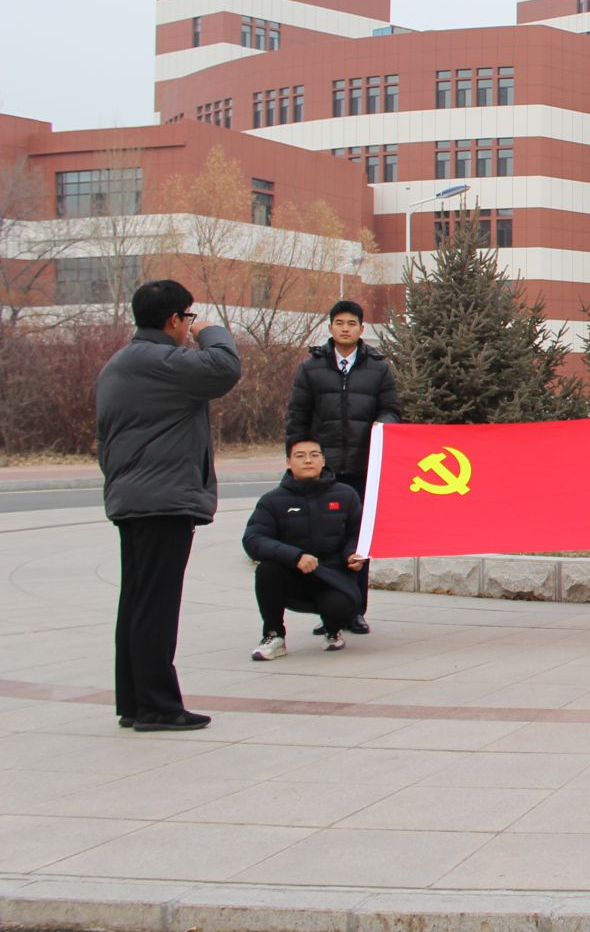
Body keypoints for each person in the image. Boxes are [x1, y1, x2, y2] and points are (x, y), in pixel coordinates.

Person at [95, 280, 242, 732]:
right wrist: (211, 331)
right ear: (174, 319)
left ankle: (136, 702)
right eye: (188, 318)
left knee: (138, 603)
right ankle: (158, 706)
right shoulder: (160, 360)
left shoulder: (121, 362)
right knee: (156, 606)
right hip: (162, 500)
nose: (189, 327)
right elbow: (224, 369)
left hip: (135, 497)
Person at [284, 298, 399, 634]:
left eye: (352, 324)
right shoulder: (312, 368)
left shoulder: (379, 368)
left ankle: (356, 610)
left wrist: (383, 424)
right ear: (330, 327)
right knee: (325, 540)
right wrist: (297, 458)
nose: (345, 329)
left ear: (361, 329)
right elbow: (298, 416)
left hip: (363, 468)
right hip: (325, 471)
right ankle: (329, 612)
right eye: (339, 323)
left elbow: (392, 408)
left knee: (358, 541)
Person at [243, 437, 365, 659]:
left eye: (314, 455)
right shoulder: (272, 501)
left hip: (333, 577)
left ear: (323, 460)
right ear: (289, 462)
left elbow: (359, 533)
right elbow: (253, 539)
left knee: (341, 607)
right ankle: (274, 635)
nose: (308, 461)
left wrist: (353, 554)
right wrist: (295, 556)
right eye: (300, 456)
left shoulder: (346, 495)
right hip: (292, 575)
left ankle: (333, 630)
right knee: (267, 570)